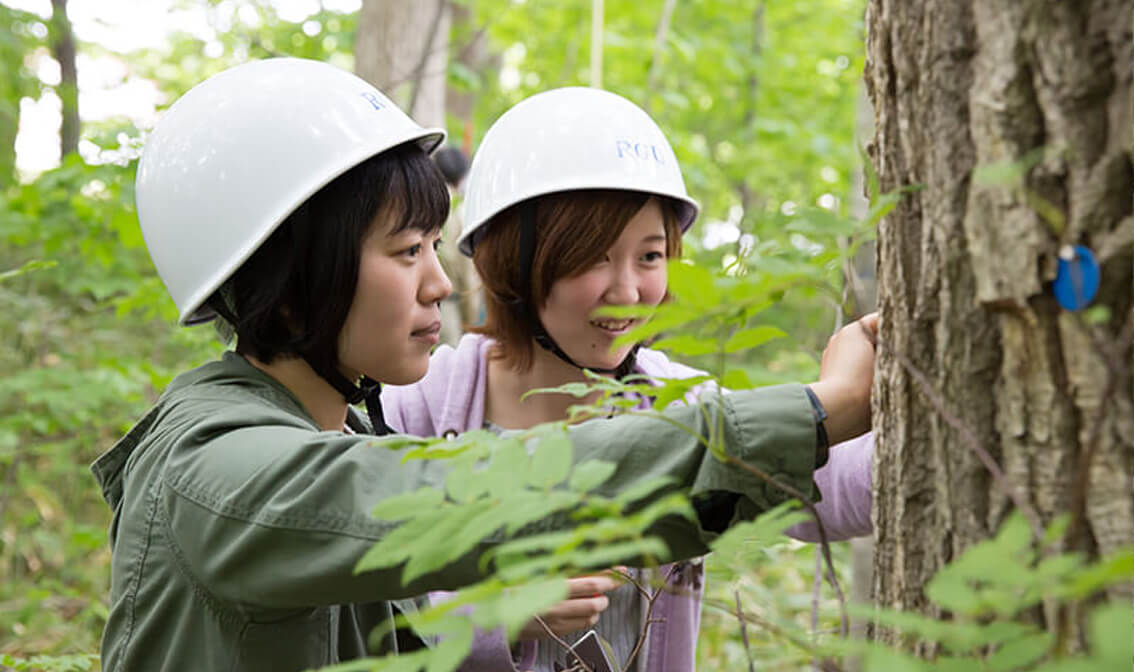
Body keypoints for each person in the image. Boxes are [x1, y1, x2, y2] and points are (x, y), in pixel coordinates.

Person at [92, 59, 874, 671]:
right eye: (407, 252)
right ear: (296, 281)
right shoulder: (224, 472)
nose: (438, 282)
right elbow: (467, 491)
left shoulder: (337, 431)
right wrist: (816, 407)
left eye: (434, 247)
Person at [381, 87, 874, 671]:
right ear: (512, 261)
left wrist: (888, 385)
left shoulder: (682, 405)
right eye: (591, 257)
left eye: (650, 256)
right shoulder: (417, 410)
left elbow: (832, 493)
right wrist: (497, 614)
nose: (628, 291)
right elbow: (363, 606)